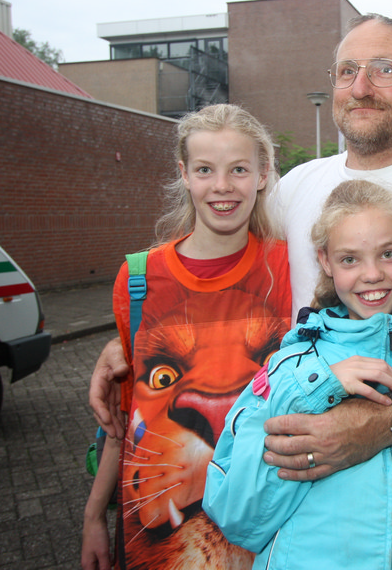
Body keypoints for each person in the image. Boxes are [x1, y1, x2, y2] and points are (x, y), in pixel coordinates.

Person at [89, 14, 392, 485]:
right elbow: (225, 273)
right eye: (347, 71)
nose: (360, 86)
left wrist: (381, 423)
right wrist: (135, 337)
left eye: (384, 70)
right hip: (300, 478)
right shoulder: (297, 187)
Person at [204, 179, 392, 569]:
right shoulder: (290, 370)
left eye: (388, 254)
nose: (372, 274)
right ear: (325, 261)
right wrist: (317, 388)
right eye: (350, 259)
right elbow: (237, 517)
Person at [80, 105, 292, 570]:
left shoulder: (292, 268)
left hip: (272, 532)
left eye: (239, 169)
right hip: (155, 538)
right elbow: (126, 416)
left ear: (262, 175)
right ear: (184, 174)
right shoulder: (137, 280)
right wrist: (94, 516)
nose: (222, 186)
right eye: (205, 170)